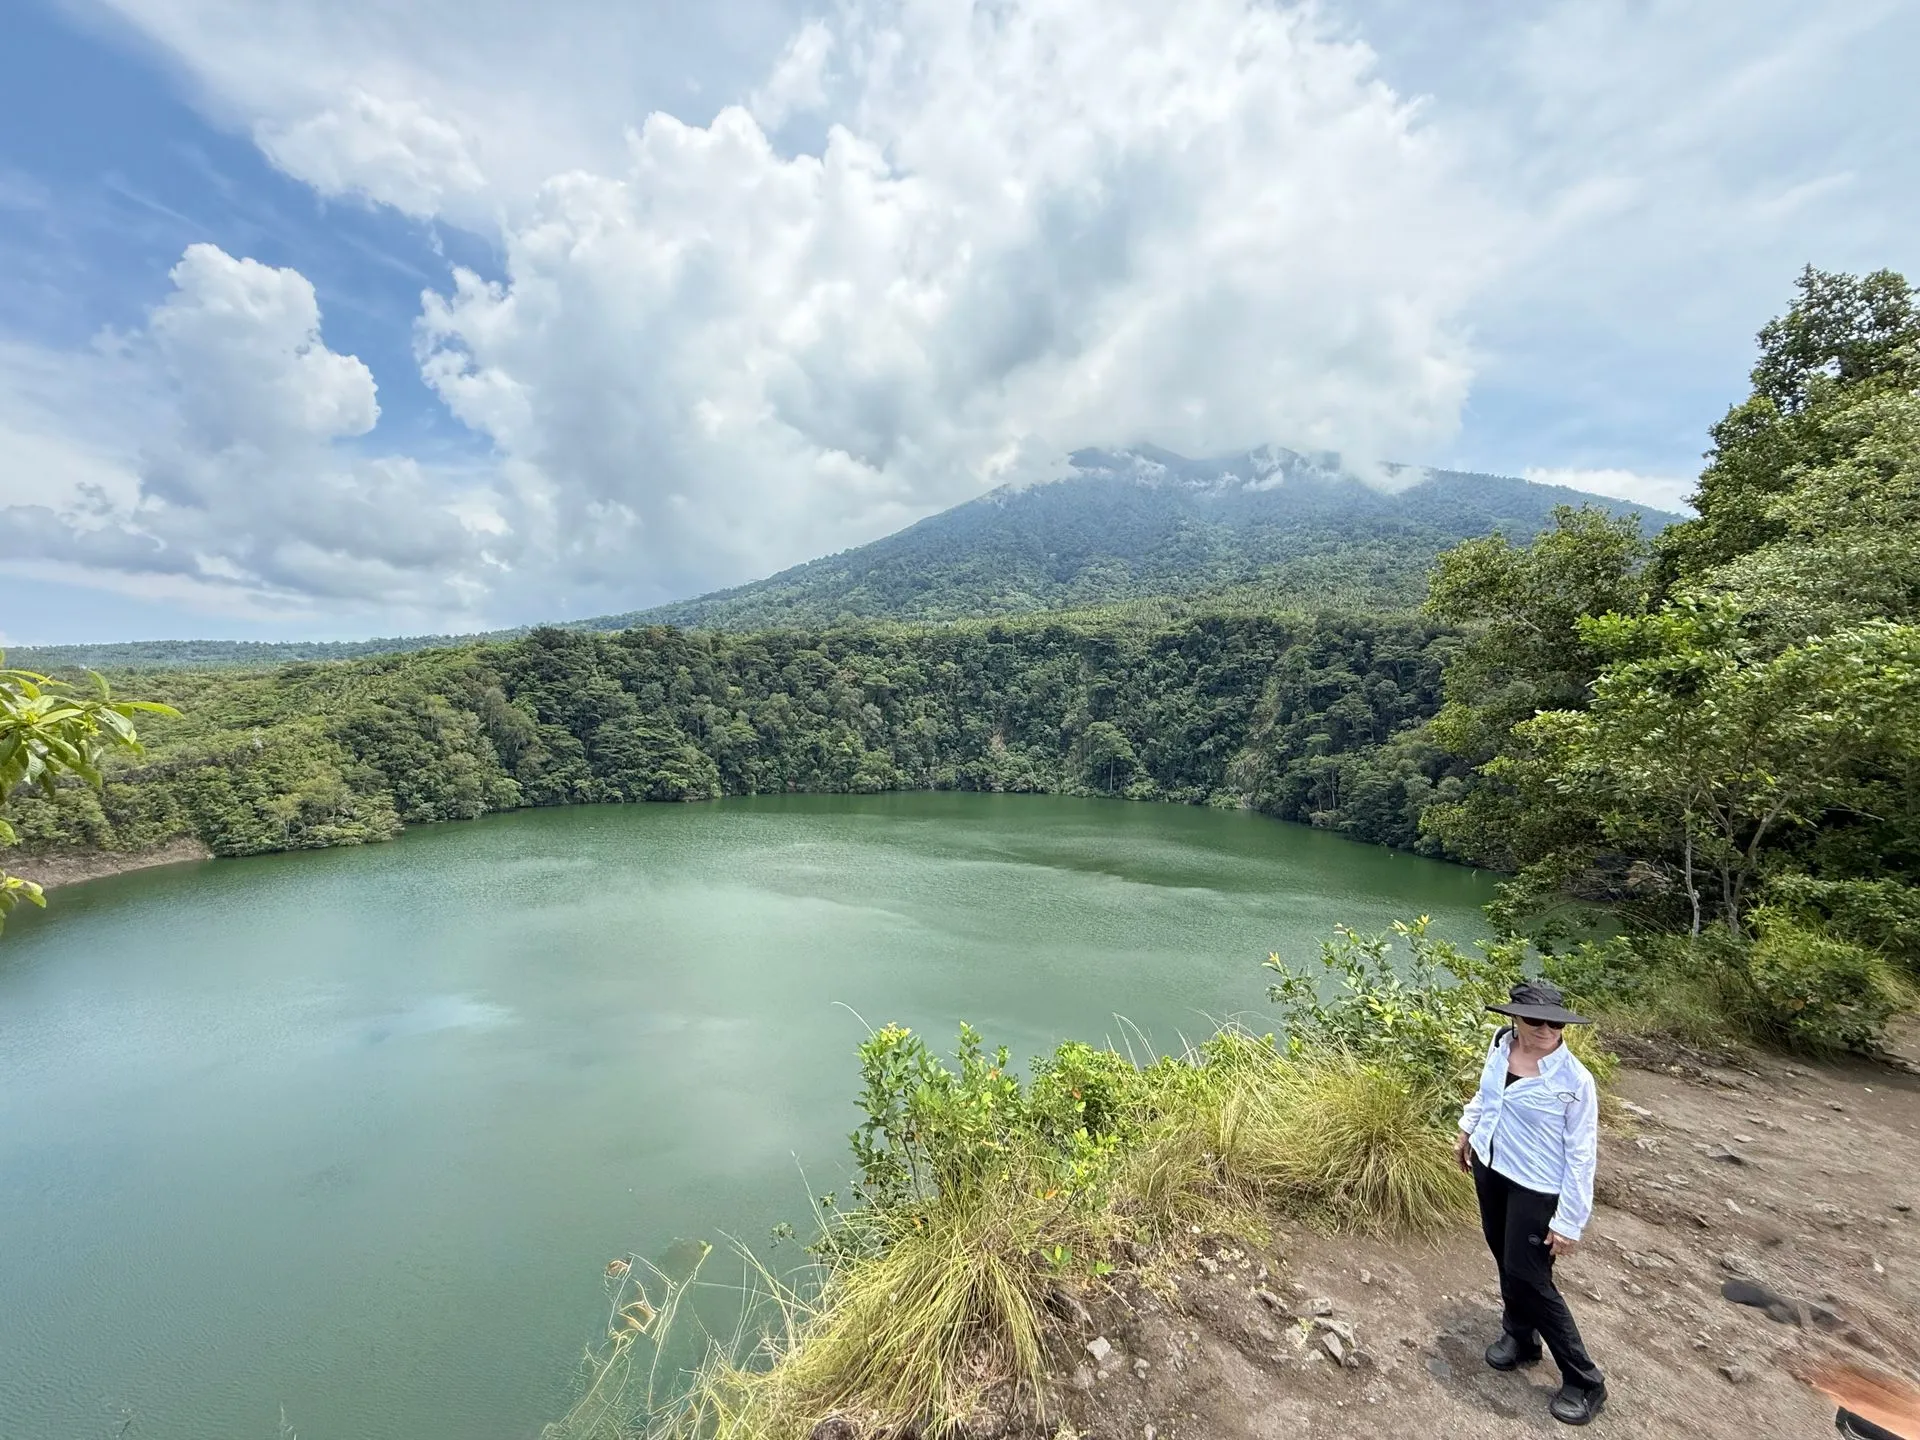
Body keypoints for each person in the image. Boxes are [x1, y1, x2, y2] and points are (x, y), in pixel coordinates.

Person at [1454, 979, 1607, 1426]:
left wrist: (1570, 1220)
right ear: (1514, 1020)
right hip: (1491, 1168)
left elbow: (1582, 1154)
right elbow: (1487, 1096)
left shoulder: (1575, 1081)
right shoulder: (1501, 1047)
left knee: (1530, 1276)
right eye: (1534, 1020)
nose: (1546, 1029)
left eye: (1554, 1022)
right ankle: (1520, 1338)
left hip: (1537, 1187)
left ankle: (1585, 1380)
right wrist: (1467, 1130)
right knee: (1505, 1259)